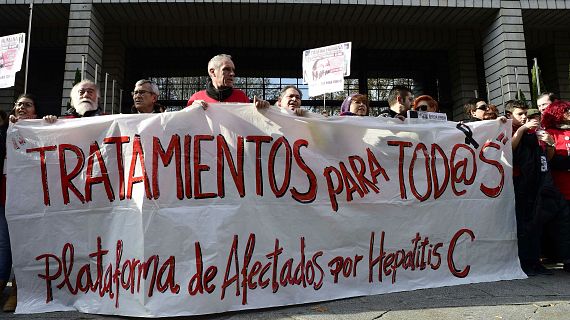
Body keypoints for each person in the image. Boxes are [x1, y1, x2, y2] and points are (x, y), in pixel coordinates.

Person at [507, 100, 567, 276]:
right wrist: (521, 130)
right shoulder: (508, 129)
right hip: (520, 183)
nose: (525, 117)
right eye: (520, 114)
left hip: (538, 183)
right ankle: (525, 263)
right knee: (524, 225)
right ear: (510, 115)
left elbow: (546, 158)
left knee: (537, 224)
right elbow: (508, 149)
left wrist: (550, 143)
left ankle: (535, 262)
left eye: (526, 114)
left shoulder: (536, 132)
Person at [0, 94, 43, 312]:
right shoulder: (5, 129)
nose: (21, 108)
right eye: (18, 104)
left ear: (35, 111)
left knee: (24, 246)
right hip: (5, 196)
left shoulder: (41, 129)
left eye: (27, 105)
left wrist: (49, 123)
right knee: (4, 245)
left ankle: (19, 291)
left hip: (30, 197)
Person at [541, 100, 570, 272]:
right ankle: (566, 258)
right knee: (563, 225)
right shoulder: (550, 133)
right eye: (566, 110)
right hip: (559, 188)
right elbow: (550, 159)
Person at [186, 54, 269, 109]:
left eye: (233, 70)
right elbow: (186, 126)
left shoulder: (241, 97)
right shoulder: (196, 99)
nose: (232, 74)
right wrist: (192, 110)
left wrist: (263, 111)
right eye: (226, 69)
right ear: (212, 72)